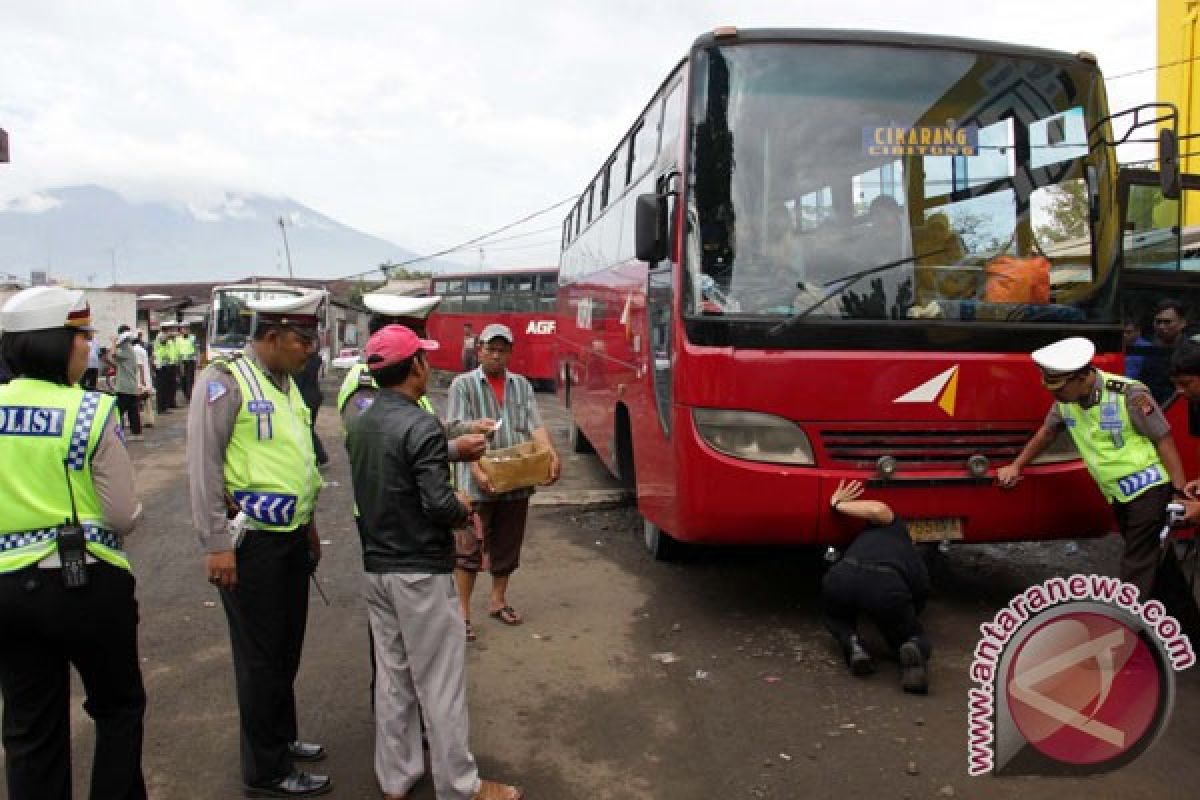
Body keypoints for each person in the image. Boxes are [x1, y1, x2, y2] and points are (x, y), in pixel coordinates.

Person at [346, 324, 522, 800]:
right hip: (420, 570)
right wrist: (462, 505)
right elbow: (437, 503)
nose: (429, 366)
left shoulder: (362, 417)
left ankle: (396, 777)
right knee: (441, 683)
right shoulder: (418, 422)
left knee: (393, 678)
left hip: (376, 566)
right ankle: (461, 787)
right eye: (424, 359)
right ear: (416, 367)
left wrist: (455, 441)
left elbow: (398, 461)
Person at [0, 286, 146, 799]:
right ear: (54, 343)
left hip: (7, 591)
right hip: (84, 583)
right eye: (81, 335)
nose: (89, 345)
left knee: (29, 728)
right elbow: (122, 515)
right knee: (118, 708)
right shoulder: (90, 411)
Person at [186, 293, 330, 797]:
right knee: (260, 658)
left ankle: (281, 738)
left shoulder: (288, 385)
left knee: (286, 649)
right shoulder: (225, 382)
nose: (310, 350)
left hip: (290, 539)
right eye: (302, 340)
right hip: (251, 546)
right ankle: (265, 771)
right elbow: (204, 466)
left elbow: (296, 464)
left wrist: (309, 525)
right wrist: (216, 544)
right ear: (270, 337)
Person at [998, 336, 1188, 599]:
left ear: (1082, 377)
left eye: (1060, 389)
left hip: (1149, 488)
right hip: (1119, 495)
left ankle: (1127, 626)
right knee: (1158, 564)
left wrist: (1179, 491)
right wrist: (1016, 466)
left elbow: (1163, 438)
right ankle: (1186, 629)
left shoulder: (1129, 394)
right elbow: (1047, 433)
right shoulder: (1066, 402)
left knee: (1137, 565)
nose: (1056, 396)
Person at [448, 323, 561, 631]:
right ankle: (463, 614)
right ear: (479, 350)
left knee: (508, 545)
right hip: (476, 483)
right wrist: (475, 468)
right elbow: (457, 429)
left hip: (515, 478)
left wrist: (550, 454)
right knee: (468, 549)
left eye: (502, 350)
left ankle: (498, 600)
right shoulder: (463, 385)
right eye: (490, 349)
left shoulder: (521, 385)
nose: (496, 355)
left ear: (510, 352)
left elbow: (534, 424)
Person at [821, 480, 930, 693]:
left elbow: (876, 510)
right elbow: (919, 594)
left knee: (838, 618)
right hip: (884, 584)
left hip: (843, 574)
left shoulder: (872, 534)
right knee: (910, 634)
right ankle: (912, 647)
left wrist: (838, 505)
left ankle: (853, 644)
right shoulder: (901, 537)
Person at [1140, 298, 1189, 403]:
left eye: (1167, 322)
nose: (1161, 326)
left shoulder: (1191, 352)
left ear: (1183, 323)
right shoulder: (1150, 351)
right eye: (1158, 322)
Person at [294, 341, 329, 467]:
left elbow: (297, 380)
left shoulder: (302, 361)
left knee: (307, 429)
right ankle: (318, 456)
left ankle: (320, 456)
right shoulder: (316, 359)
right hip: (315, 396)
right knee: (309, 428)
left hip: (305, 397)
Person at [108, 325, 143, 441]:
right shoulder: (129, 350)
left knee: (118, 411)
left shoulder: (125, 350)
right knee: (133, 412)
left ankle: (117, 433)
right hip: (131, 387)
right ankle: (137, 433)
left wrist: (113, 341)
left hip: (124, 387)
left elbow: (112, 354)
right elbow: (115, 360)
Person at [132, 334, 155, 429]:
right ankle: (149, 420)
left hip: (140, 378)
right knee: (147, 400)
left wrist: (141, 380)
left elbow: (139, 365)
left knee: (137, 400)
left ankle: (141, 420)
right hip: (146, 377)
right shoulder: (142, 350)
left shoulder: (135, 350)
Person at [177, 322, 198, 401]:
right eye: (183, 328)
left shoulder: (193, 338)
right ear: (181, 330)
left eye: (187, 328)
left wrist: (197, 359)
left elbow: (196, 349)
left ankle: (190, 396)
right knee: (183, 379)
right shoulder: (178, 339)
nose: (185, 330)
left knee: (190, 378)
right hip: (182, 361)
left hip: (191, 360)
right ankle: (186, 394)